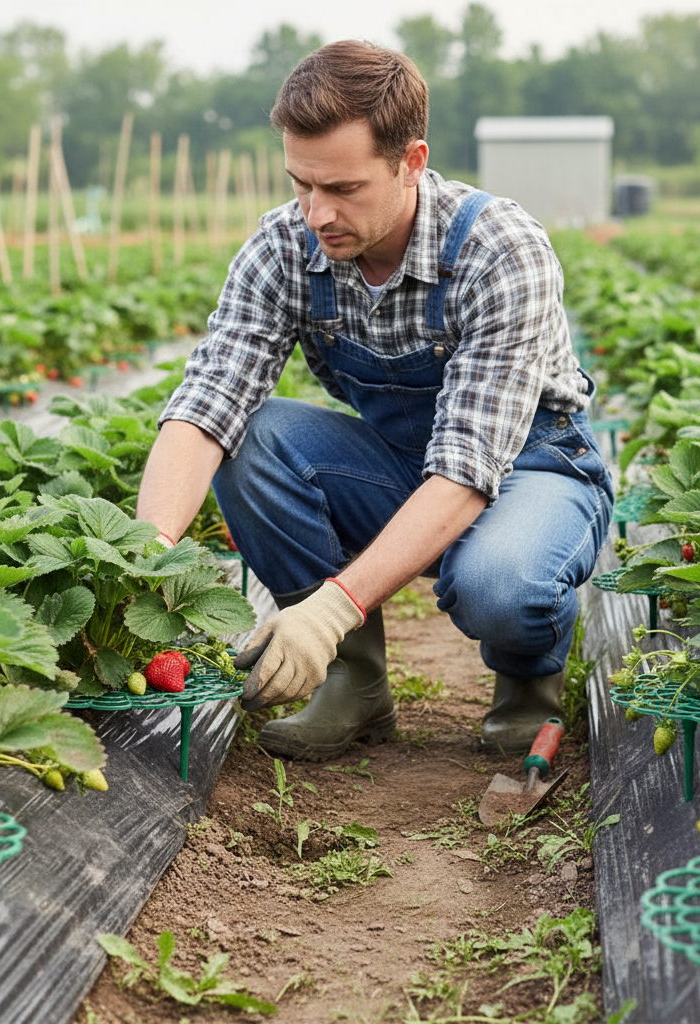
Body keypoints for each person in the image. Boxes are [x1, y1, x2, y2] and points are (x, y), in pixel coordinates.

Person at [136, 39, 613, 761]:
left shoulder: (498, 249)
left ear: (411, 162)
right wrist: (144, 555)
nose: (317, 212)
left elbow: (466, 468)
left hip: (530, 468)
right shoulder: (284, 246)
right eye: (302, 184)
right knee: (251, 441)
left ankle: (529, 684)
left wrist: (335, 602)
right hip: (399, 461)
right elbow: (207, 403)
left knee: (498, 582)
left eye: (345, 189)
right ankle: (352, 682)